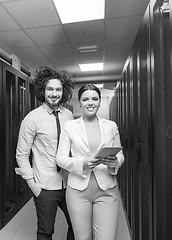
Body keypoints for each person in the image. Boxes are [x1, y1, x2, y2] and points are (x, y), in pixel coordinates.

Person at [56, 84, 125, 240]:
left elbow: (120, 153)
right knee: (82, 238)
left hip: (107, 190)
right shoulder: (70, 126)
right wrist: (82, 164)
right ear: (79, 102)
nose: (90, 103)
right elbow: (60, 159)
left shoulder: (111, 126)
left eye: (95, 99)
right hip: (78, 192)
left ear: (100, 101)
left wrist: (116, 162)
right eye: (85, 99)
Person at [15, 66, 75, 240]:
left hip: (69, 183)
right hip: (45, 186)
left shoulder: (69, 115)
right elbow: (21, 154)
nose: (54, 93)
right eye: (50, 89)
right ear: (42, 90)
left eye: (58, 89)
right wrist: (33, 186)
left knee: (77, 225)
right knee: (45, 231)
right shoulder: (32, 118)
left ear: (63, 92)